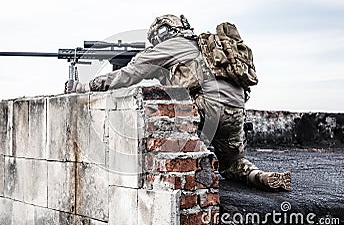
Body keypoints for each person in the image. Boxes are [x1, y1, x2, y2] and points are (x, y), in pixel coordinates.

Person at [69, 14, 291, 191]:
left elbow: (130, 73)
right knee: (232, 164)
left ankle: (186, 179)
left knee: (163, 130)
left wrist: (86, 86)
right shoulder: (206, 46)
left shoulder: (171, 46)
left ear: (161, 35)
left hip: (207, 107)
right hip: (236, 111)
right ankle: (257, 175)